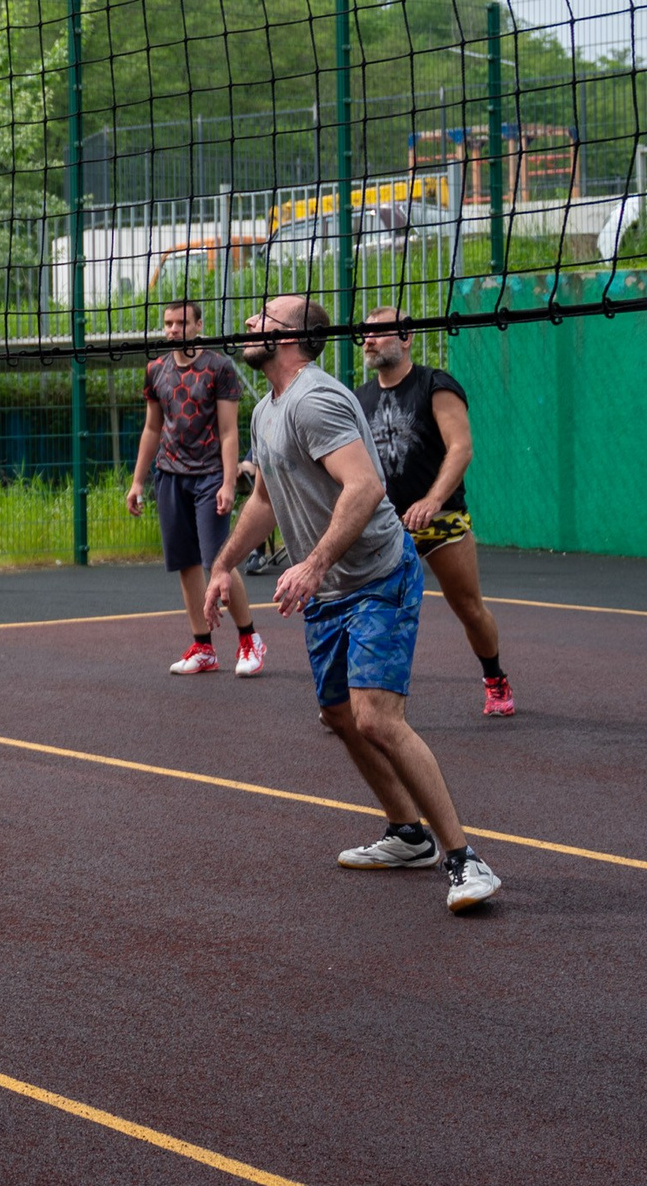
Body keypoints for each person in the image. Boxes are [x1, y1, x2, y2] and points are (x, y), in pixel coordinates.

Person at [206, 295, 502, 912]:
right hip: (330, 588)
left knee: (375, 718)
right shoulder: (267, 410)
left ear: (291, 339)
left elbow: (365, 486)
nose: (252, 322)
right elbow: (264, 499)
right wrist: (225, 564)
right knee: (339, 715)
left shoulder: (316, 398)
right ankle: (405, 833)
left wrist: (311, 563)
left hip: (375, 575)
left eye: (266, 317)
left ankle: (465, 859)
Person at [357, 307, 515, 717]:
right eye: (365, 333)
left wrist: (432, 501)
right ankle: (353, 699)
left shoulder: (435, 384)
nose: (369, 340)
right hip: (385, 527)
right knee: (366, 610)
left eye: (379, 332)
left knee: (467, 606)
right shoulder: (359, 397)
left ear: (406, 338)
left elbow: (461, 448)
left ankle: (495, 678)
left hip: (441, 523)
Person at [127, 298, 260, 677]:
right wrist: (138, 481)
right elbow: (152, 429)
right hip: (169, 476)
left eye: (181, 323)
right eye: (168, 323)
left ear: (198, 325)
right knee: (185, 562)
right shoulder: (155, 370)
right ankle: (203, 647)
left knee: (219, 560)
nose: (173, 329)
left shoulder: (219, 367)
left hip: (209, 476)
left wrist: (229, 481)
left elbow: (229, 431)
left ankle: (249, 639)